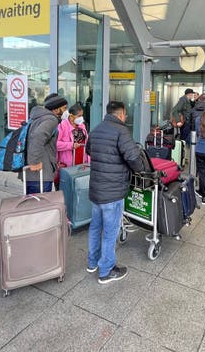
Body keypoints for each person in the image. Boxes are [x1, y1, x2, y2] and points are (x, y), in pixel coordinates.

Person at [86, 101, 143, 284]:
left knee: (95, 227)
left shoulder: (96, 130)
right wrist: (138, 169)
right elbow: (134, 158)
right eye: (125, 115)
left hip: (96, 190)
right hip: (112, 191)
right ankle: (106, 270)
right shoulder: (121, 131)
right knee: (110, 231)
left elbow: (89, 151)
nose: (126, 118)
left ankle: (92, 262)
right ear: (121, 114)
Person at [23, 93, 68, 194]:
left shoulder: (39, 117)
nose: (66, 111)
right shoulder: (51, 120)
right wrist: (34, 162)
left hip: (34, 174)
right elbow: (37, 137)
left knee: (31, 206)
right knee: (40, 207)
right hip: (40, 174)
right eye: (64, 108)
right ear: (56, 109)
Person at [56, 103, 86, 169]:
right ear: (71, 116)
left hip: (82, 162)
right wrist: (71, 145)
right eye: (79, 116)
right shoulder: (62, 127)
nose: (81, 118)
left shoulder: (82, 126)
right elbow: (55, 144)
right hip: (67, 164)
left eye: (82, 115)